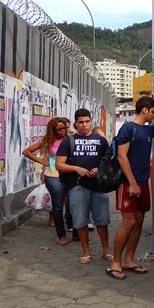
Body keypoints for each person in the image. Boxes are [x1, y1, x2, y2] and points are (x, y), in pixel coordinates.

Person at [107, 93, 154, 280]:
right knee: (128, 223)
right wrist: (132, 182)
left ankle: (129, 260)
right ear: (144, 110)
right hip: (129, 183)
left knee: (138, 221)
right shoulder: (128, 129)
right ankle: (115, 262)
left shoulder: (148, 130)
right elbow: (122, 156)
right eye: (152, 111)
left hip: (143, 182)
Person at [56, 108, 112, 264]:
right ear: (75, 123)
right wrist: (76, 168)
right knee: (80, 220)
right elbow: (59, 165)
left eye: (87, 121)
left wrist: (100, 169)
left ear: (91, 121)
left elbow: (109, 162)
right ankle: (86, 252)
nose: (84, 125)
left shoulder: (100, 141)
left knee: (102, 219)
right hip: (77, 186)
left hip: (98, 186)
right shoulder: (68, 141)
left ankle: (106, 250)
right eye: (81, 122)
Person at [22, 117, 72, 243]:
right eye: (58, 129)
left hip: (71, 175)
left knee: (74, 204)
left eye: (64, 128)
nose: (62, 131)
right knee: (58, 206)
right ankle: (61, 235)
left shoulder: (72, 138)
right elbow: (27, 151)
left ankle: (76, 231)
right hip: (53, 176)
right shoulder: (49, 140)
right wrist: (42, 161)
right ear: (52, 130)